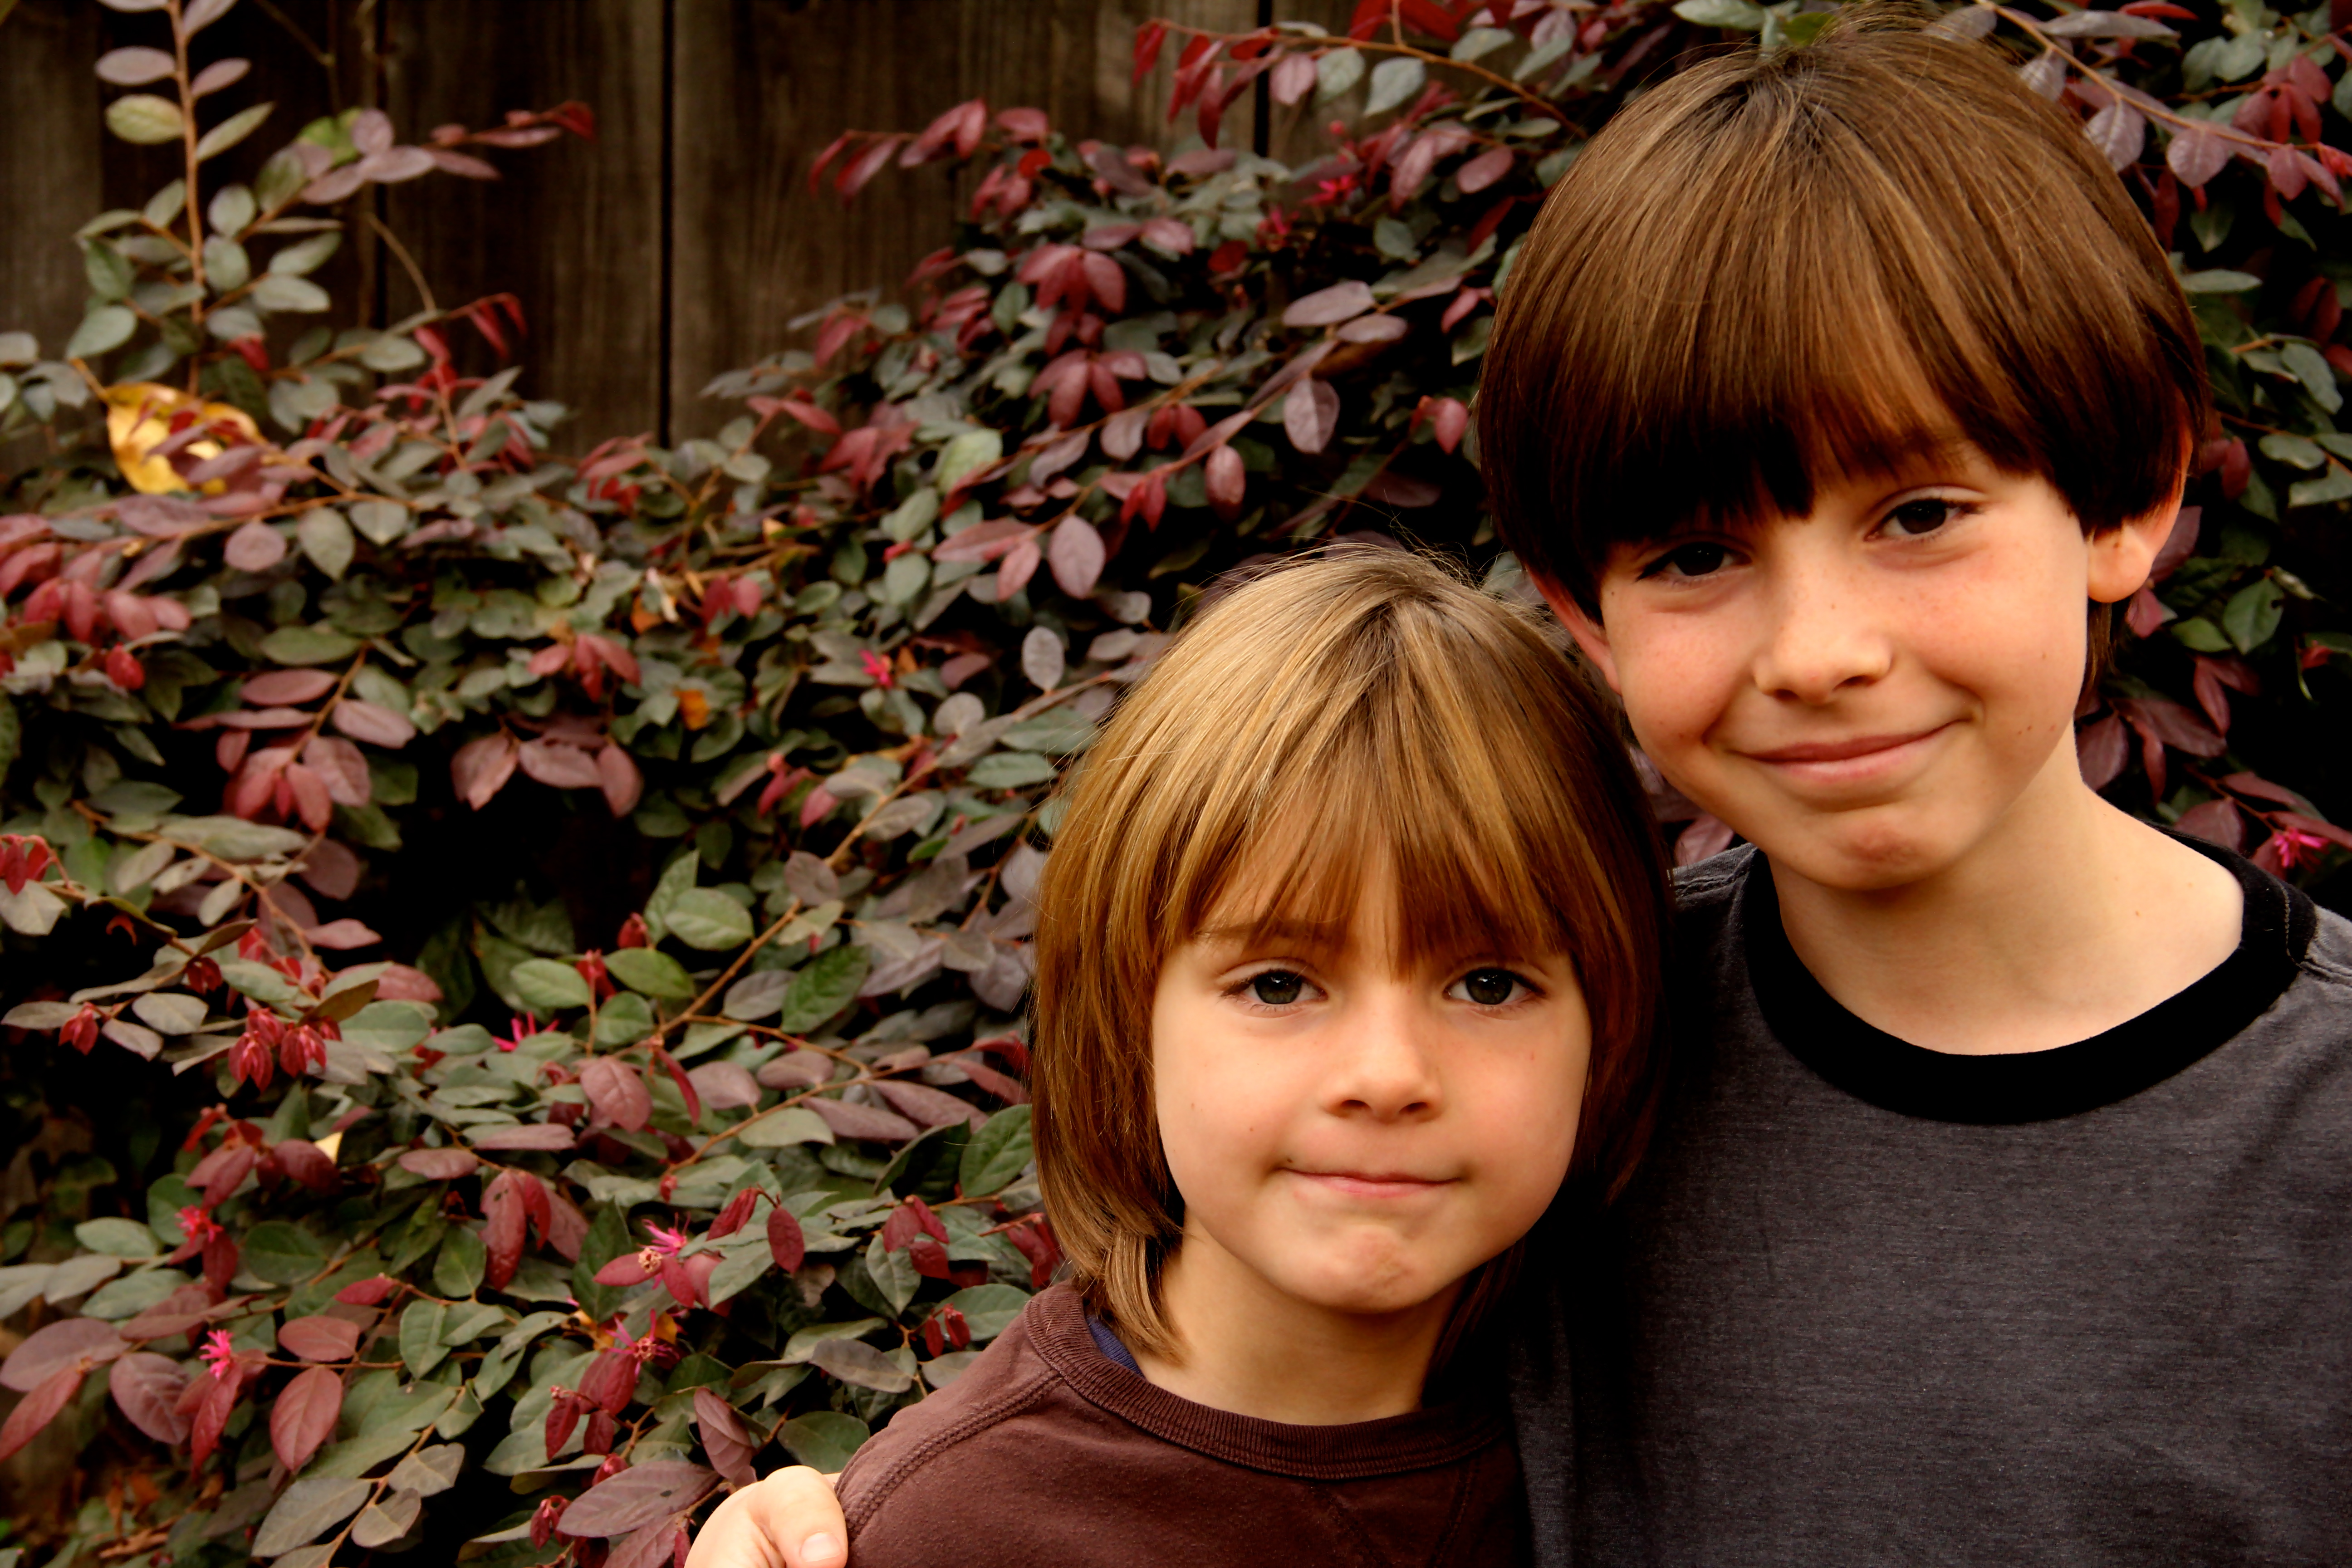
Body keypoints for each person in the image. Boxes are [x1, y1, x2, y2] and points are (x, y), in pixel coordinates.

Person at [688, 9, 2352, 1566]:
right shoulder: (1549, 1035)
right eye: (1695, 554)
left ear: (2127, 496)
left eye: (1918, 514)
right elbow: (1189, 1410)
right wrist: (857, 1520)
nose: (1820, 653)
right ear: (1587, 612)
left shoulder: (2313, 1136)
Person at [694, 549, 1672, 1567]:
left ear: (1610, 1021)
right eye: (1279, 985)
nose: (1388, 1076)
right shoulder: (953, 1535)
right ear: (1129, 1020)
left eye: (1488, 985)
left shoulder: (1646, 1404)